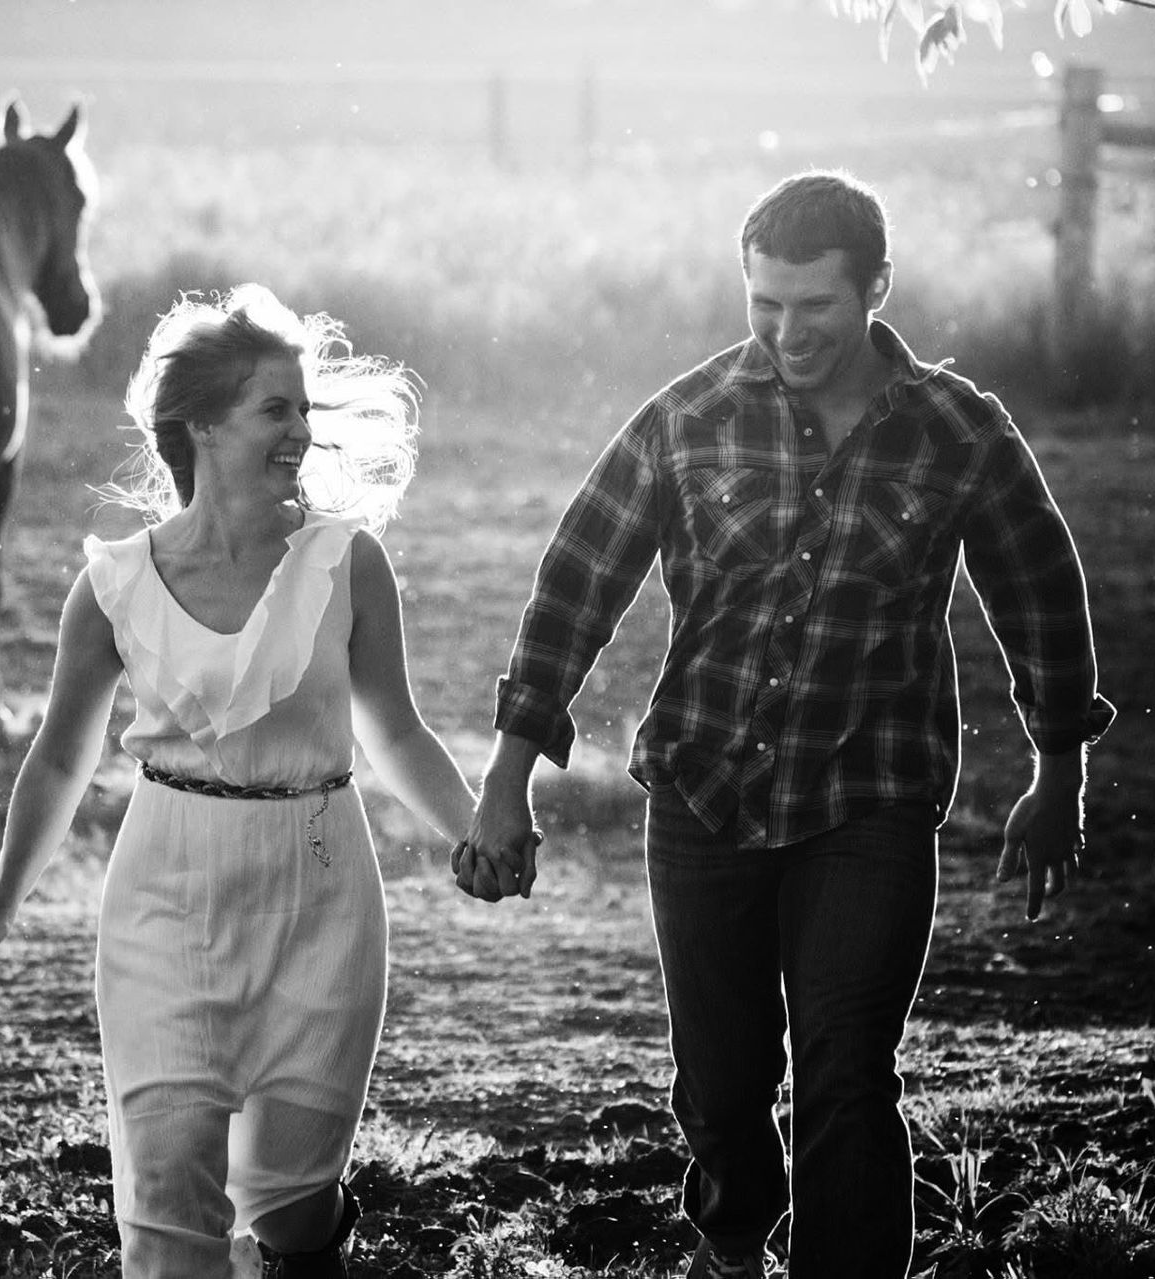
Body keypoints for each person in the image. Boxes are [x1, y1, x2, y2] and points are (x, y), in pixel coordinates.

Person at [455, 171, 1114, 1277]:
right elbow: (577, 581)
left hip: (870, 799)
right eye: (764, 303)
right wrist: (506, 776)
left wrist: (1060, 776)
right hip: (703, 790)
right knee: (720, 1082)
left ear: (876, 288)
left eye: (815, 305)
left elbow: (1039, 592)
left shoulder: (959, 432)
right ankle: (732, 1242)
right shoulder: (690, 417)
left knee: (847, 1072)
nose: (787, 331)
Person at [0, 284, 477, 1278]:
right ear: (203, 427)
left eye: (303, 408)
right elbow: (60, 755)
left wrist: (472, 831)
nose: (301, 431)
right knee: (169, 1192)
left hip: (319, 891)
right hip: (165, 894)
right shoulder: (112, 585)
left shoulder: (347, 563)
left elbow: (395, 730)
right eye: (276, 409)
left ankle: (308, 1240)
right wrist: (3, 903)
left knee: (292, 1199)